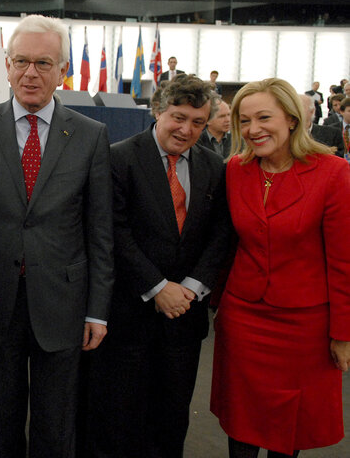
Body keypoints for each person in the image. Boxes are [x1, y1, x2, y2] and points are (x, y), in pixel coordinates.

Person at [0, 14, 114, 458]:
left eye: (44, 63)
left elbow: (101, 231)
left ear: (63, 71)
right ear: (6, 65)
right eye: (21, 61)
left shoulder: (91, 136)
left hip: (62, 304)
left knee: (55, 427)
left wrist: (97, 311)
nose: (30, 73)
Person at [82, 76, 231, 458]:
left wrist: (192, 288)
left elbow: (221, 234)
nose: (187, 129)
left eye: (198, 122)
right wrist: (157, 286)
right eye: (178, 117)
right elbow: (112, 230)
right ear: (157, 111)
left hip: (184, 319)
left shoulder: (215, 167)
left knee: (170, 423)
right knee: (117, 424)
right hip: (128, 317)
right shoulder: (118, 158)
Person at [211, 78, 350, 457]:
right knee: (240, 420)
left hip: (303, 327)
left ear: (291, 119)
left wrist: (343, 333)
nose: (253, 129)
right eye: (243, 120)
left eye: (263, 117)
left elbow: (343, 262)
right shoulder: (235, 170)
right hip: (243, 319)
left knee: (288, 427)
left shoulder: (333, 173)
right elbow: (226, 244)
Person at [299, 94, 344, 158]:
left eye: (299, 107)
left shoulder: (332, 134)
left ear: (312, 111)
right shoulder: (284, 135)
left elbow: (338, 161)